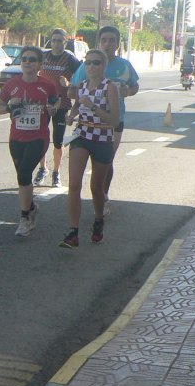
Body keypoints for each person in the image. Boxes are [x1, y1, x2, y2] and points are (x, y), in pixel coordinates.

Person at [69, 26, 138, 214]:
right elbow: (74, 88)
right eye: (104, 40)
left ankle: (103, 195)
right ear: (99, 42)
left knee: (108, 160)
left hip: (114, 120)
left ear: (117, 43)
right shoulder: (88, 63)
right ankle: (99, 197)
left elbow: (134, 86)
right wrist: (74, 109)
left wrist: (128, 92)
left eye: (112, 40)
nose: (108, 44)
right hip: (88, 123)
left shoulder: (124, 65)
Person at [60, 49, 120, 249]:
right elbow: (78, 104)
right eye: (88, 63)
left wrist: (93, 107)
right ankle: (73, 232)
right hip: (82, 136)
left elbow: (114, 120)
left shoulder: (109, 87)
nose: (91, 67)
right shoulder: (83, 85)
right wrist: (71, 115)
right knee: (74, 184)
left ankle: (98, 220)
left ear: (103, 66)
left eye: (96, 63)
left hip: (102, 138)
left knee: (96, 187)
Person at [0, 46, 59, 238]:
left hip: (38, 137)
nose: (27, 62)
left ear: (39, 64)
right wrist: (9, 105)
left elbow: (57, 102)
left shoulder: (47, 85)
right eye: (24, 59)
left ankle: (24, 219)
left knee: (24, 174)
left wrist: (53, 108)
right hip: (16, 137)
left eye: (32, 59)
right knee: (22, 178)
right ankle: (31, 207)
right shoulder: (11, 84)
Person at [33, 28, 80, 188]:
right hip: (42, 103)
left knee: (58, 141)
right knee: (40, 139)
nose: (56, 43)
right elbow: (33, 73)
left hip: (62, 103)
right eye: (54, 40)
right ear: (50, 41)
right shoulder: (44, 56)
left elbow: (81, 78)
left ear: (65, 42)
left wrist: (68, 84)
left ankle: (56, 172)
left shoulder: (70, 59)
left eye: (60, 40)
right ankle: (42, 168)